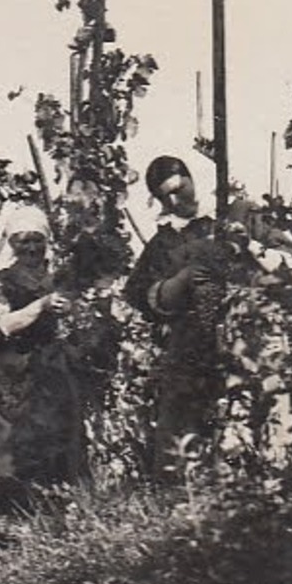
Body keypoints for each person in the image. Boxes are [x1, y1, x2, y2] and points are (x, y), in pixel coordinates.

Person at [0, 204, 84, 519]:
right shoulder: (0, 280)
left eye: (37, 240)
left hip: (51, 366)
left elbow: (79, 316)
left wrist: (71, 313)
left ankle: (49, 513)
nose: (31, 247)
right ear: (12, 245)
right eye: (23, 241)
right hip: (12, 368)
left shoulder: (60, 276)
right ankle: (3, 519)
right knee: (6, 443)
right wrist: (41, 306)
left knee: (55, 437)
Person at [123, 155, 233, 482]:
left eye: (178, 188)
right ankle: (178, 493)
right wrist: (179, 282)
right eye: (164, 196)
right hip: (190, 340)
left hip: (237, 331)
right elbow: (139, 293)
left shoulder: (224, 220)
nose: (175, 199)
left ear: (191, 179)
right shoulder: (164, 242)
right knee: (183, 416)